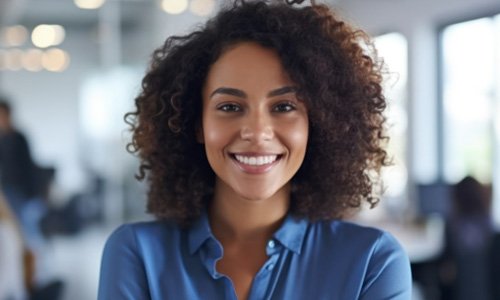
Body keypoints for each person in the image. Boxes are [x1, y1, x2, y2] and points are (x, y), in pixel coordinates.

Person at [98, 1, 412, 299]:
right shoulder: (136, 254)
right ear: (196, 123)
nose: (257, 132)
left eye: (284, 106)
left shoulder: (372, 261)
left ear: (316, 123)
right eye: (230, 106)